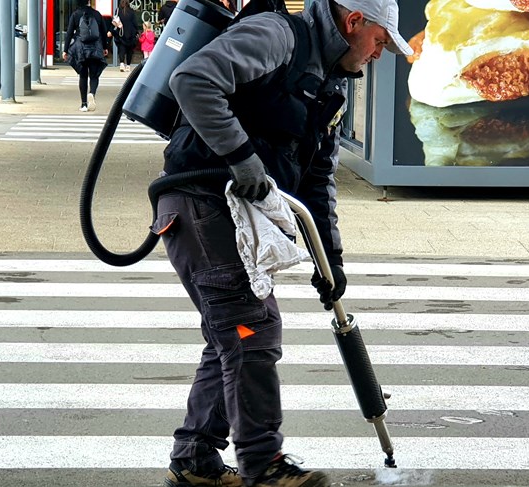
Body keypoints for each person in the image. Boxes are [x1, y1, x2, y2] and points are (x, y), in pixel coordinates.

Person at [155, 0, 413, 486]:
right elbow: (192, 80)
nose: (379, 54)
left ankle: (195, 460)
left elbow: (317, 179)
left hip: (231, 211)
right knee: (253, 329)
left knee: (232, 334)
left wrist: (329, 262)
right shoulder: (277, 36)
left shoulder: (328, 86)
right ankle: (264, 467)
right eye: (379, 41)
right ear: (353, 21)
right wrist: (242, 156)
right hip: (199, 198)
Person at [62, 0, 109, 112]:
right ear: (89, 1)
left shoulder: (75, 14)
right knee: (94, 76)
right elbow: (103, 31)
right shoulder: (97, 14)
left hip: (80, 50)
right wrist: (105, 47)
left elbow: (69, 33)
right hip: (95, 48)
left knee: (83, 76)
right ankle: (92, 93)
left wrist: (65, 50)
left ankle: (83, 104)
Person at [111, 0, 138, 72]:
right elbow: (135, 23)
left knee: (121, 49)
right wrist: (137, 31)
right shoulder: (131, 11)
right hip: (130, 33)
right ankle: (128, 65)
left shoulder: (118, 10)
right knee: (129, 50)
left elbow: (114, 21)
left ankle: (122, 63)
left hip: (120, 32)